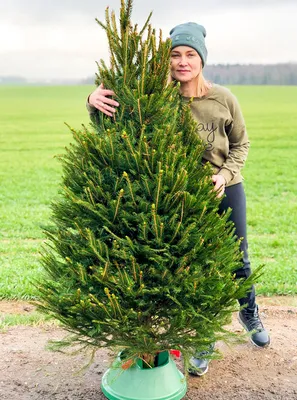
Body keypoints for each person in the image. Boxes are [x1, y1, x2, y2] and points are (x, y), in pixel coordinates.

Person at [86, 22, 270, 376]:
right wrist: (91, 101)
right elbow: (119, 120)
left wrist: (224, 175)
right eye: (175, 55)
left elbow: (241, 144)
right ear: (166, 61)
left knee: (237, 258)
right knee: (196, 266)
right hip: (176, 194)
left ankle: (249, 312)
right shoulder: (159, 100)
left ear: (201, 59)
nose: (182, 61)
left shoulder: (224, 98)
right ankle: (203, 338)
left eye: (190, 54)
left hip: (224, 188)